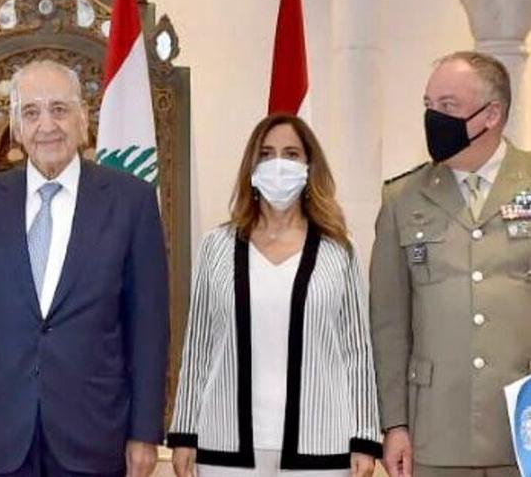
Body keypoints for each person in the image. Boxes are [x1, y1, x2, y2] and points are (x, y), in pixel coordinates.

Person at [0, 60, 169, 477]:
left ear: (83, 118)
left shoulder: (131, 202)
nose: (47, 125)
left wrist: (144, 433)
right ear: (16, 126)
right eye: (31, 112)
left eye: (59, 109)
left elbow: (148, 328)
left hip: (97, 435)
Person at [169, 114, 381, 477]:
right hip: (226, 447)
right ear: (251, 168)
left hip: (320, 447)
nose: (278, 164)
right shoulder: (216, 246)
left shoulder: (339, 250)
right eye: (266, 154)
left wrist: (363, 436)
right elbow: (198, 346)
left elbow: (356, 350)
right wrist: (185, 432)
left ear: (309, 167)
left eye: (291, 154)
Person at [371, 51, 531, 477]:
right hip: (436, 432)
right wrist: (394, 424)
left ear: (491, 115)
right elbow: (389, 324)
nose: (433, 118)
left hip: (522, 429)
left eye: (448, 106)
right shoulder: (403, 198)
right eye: (429, 105)